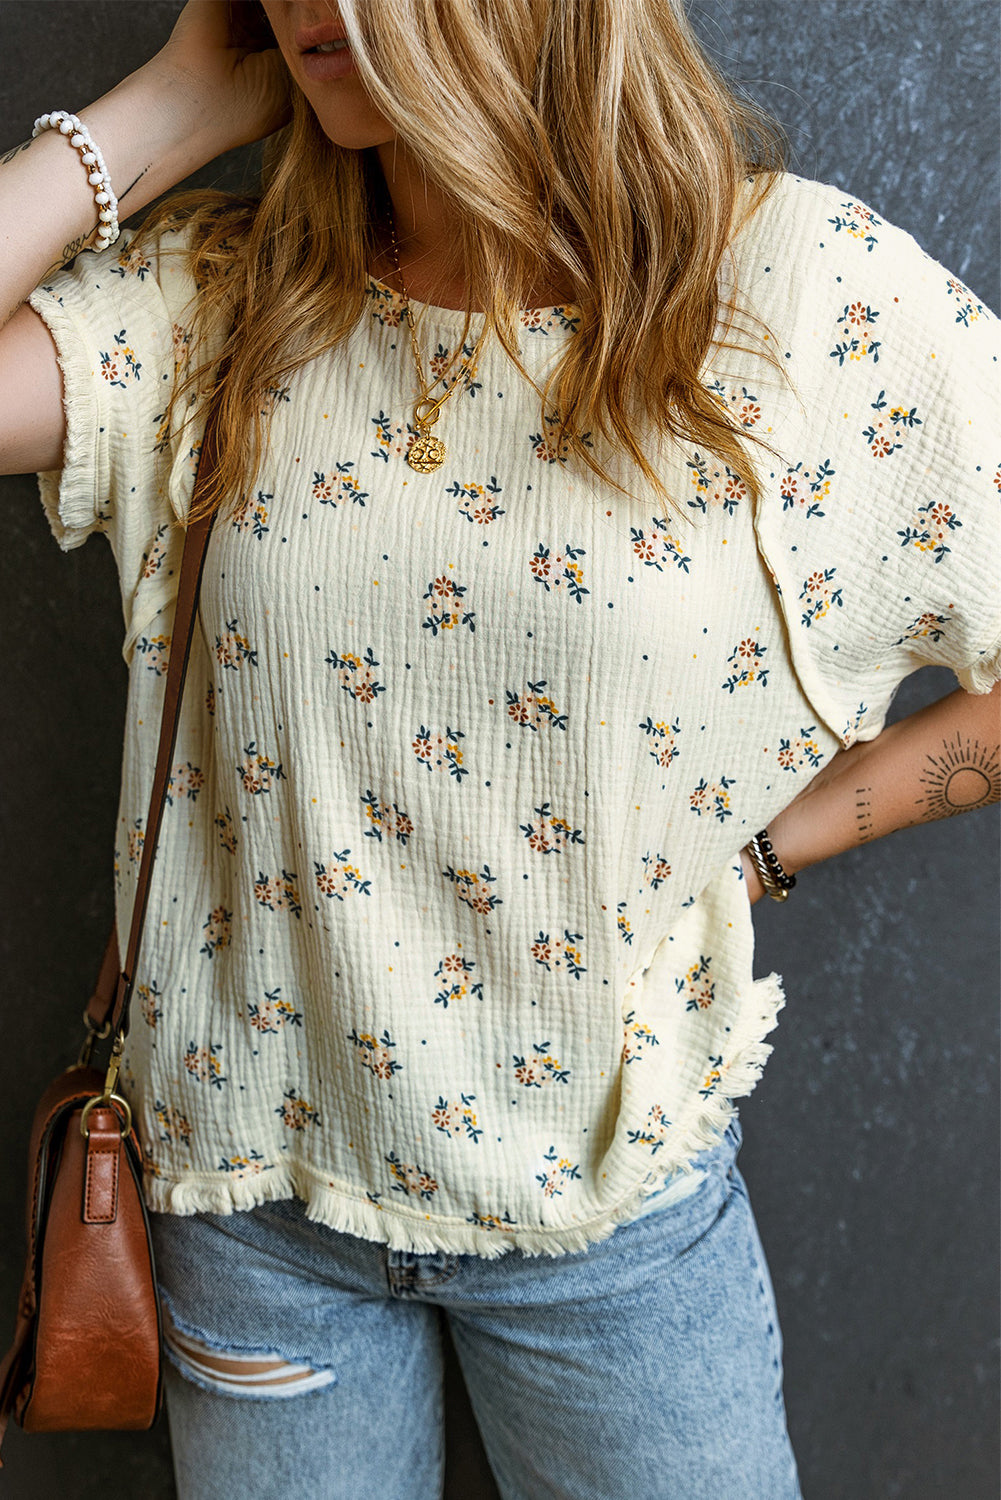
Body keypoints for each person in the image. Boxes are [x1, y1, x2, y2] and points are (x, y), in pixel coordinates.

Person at [0, 1, 997, 1495]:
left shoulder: (796, 292)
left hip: (611, 1226)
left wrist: (771, 851)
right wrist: (166, 109)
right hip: (258, 1217)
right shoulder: (230, 295)